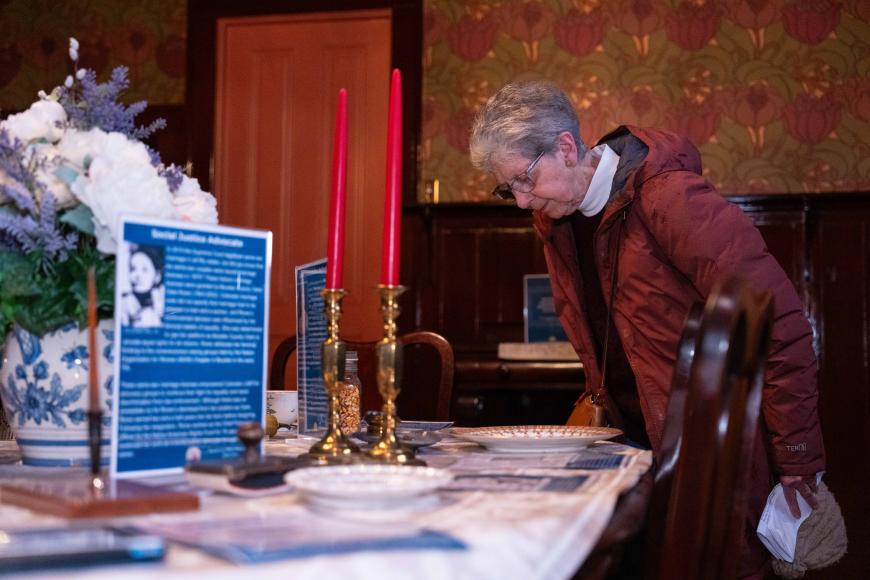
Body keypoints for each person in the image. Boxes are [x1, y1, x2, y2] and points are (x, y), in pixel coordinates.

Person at [469, 80, 825, 578]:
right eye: (509, 188)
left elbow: (779, 324)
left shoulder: (670, 199)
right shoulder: (558, 220)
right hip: (637, 449)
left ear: (567, 148)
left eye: (526, 180)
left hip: (707, 458)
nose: (522, 202)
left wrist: (796, 458)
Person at [120, 245, 165, 328]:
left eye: (144, 269)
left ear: (157, 276)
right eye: (133, 269)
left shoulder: (161, 303)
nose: (137, 275)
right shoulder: (124, 304)